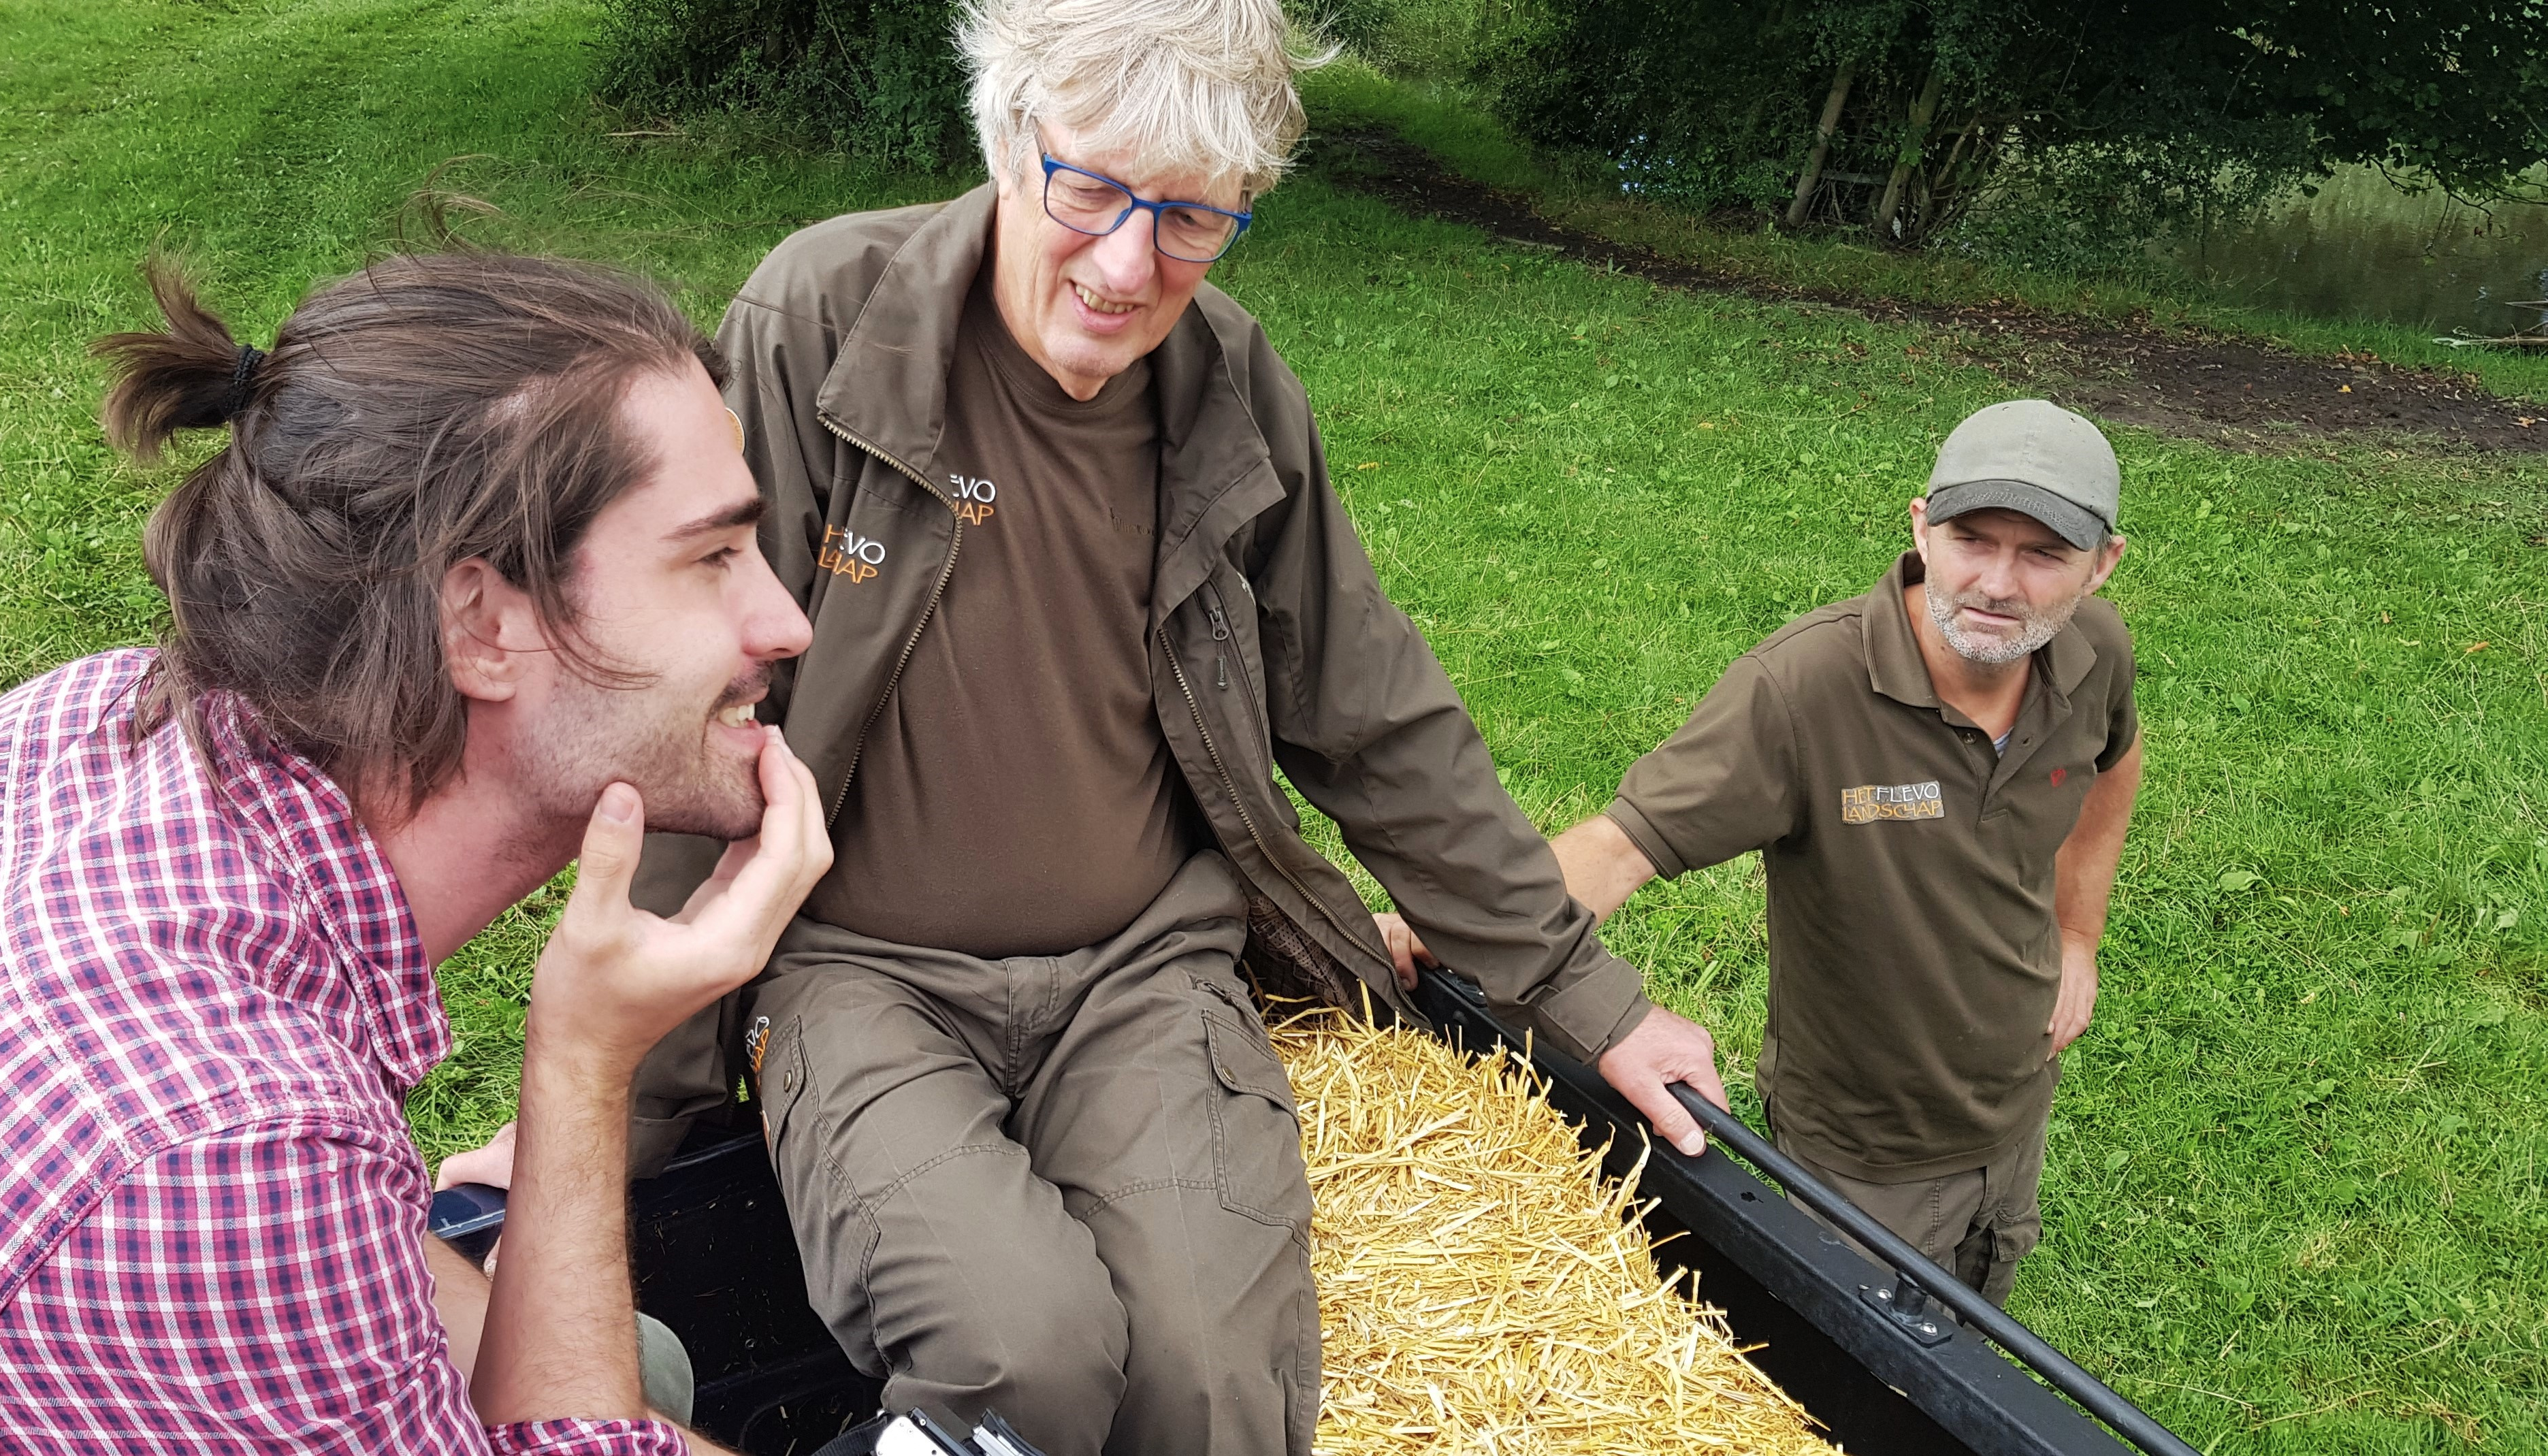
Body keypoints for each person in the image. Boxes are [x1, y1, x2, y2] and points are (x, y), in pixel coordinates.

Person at [472, 0, 1721, 1449]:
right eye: (1093, 191)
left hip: (1146, 964)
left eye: (1194, 220)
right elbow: (702, 710)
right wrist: (605, 1123)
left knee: (1214, 1385)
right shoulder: (821, 324)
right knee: (1025, 1351)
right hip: (866, 969)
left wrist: (1595, 1005)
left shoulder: (1231, 391)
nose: (1131, 267)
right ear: (1012, 145)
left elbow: (1371, 712)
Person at [0, 252, 832, 1453]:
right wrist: (582, 1062)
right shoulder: (224, 1150)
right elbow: (241, 1187)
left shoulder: (83, 720)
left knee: (633, 1357)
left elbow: (356, 1250)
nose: (786, 621)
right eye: (712, 558)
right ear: (483, 625)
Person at [1385, 399, 2141, 1307]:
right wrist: (1455, 927)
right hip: (1864, 1155)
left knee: (1982, 1311)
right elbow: (1622, 845)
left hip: (2017, 1101)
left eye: (2043, 555)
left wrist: (2077, 935)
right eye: (1972, 538)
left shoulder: (2092, 651)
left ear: (2103, 566)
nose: (1997, 583)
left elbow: (2113, 761)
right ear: (1921, 526)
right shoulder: (1801, 693)